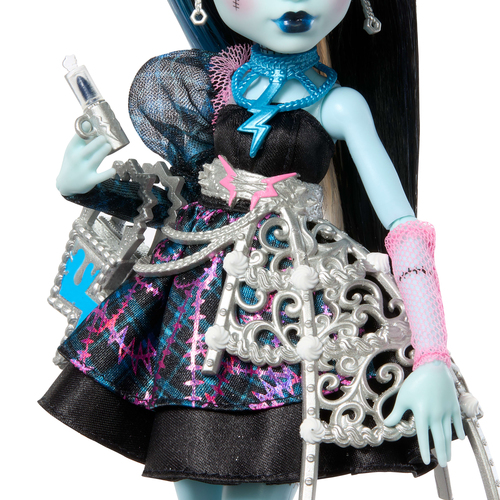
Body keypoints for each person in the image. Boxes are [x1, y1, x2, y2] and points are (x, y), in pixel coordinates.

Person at [39, 1, 464, 499]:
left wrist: (432, 353)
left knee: (266, 460)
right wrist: (86, 187)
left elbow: (405, 228)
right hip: (194, 304)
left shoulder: (339, 105)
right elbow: (180, 198)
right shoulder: (214, 86)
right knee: (188, 461)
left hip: (283, 306)